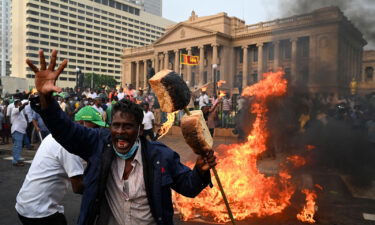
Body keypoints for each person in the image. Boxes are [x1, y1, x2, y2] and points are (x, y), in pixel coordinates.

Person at [27, 49, 217, 225]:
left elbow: (189, 188)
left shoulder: (161, 156)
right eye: (116, 125)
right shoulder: (98, 145)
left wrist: (200, 170)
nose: (120, 132)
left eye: (127, 127)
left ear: (140, 130)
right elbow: (65, 130)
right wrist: (46, 100)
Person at [15, 105, 106, 225]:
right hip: (39, 211)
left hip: (26, 204)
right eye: (94, 127)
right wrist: (106, 190)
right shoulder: (69, 146)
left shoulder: (56, 136)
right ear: (81, 123)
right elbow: (78, 186)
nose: (96, 132)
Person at [11, 99, 29, 166]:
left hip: (20, 131)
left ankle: (15, 160)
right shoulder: (14, 109)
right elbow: (21, 108)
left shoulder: (20, 111)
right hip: (17, 130)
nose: (21, 103)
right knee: (17, 146)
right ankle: (16, 161)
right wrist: (24, 105)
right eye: (20, 102)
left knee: (17, 146)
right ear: (16, 104)